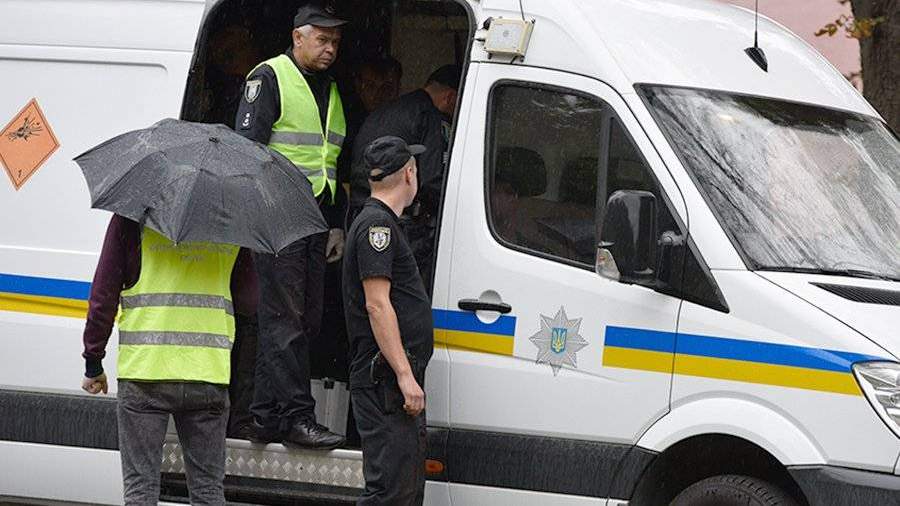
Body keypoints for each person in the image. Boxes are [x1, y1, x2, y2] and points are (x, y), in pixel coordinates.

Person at [80, 215, 257, 505]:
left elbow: (103, 296)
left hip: (145, 372)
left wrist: (93, 361)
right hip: (207, 373)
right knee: (208, 491)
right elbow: (249, 301)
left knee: (141, 490)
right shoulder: (231, 220)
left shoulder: (131, 217)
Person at [233, 3, 347, 449]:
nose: (330, 48)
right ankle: (298, 417)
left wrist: (334, 224)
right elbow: (247, 151)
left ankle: (263, 416)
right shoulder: (269, 77)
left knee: (303, 320)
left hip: (315, 218)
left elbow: (331, 160)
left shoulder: (329, 88)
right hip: (278, 215)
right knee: (286, 321)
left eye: (335, 41)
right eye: (322, 39)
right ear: (298, 37)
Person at [342, 136, 435, 505]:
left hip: (390, 382)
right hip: (384, 381)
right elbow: (377, 305)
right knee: (390, 493)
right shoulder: (376, 227)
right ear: (409, 174)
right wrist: (404, 374)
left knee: (404, 490)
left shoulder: (383, 224)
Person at [348, 65, 461, 291]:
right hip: (400, 224)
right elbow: (431, 179)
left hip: (360, 214)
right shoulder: (429, 115)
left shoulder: (391, 108)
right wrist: (458, 211)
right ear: (450, 97)